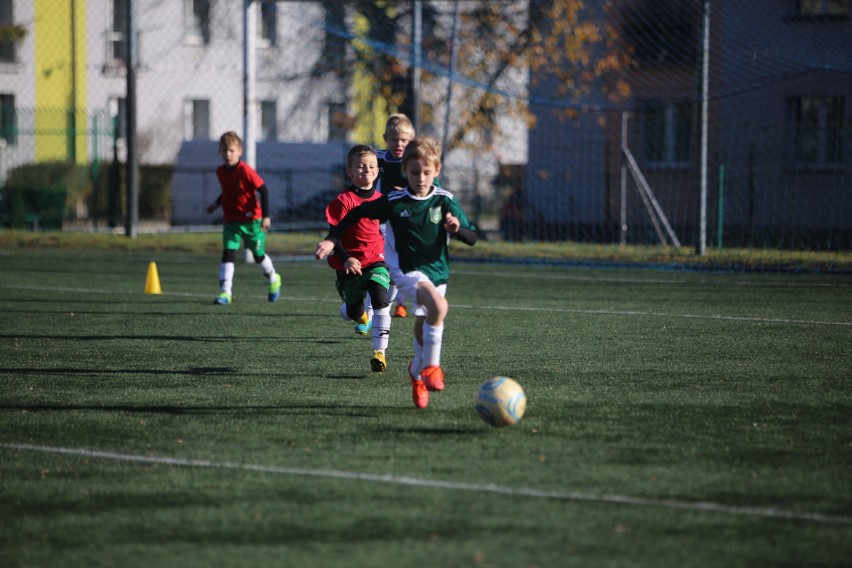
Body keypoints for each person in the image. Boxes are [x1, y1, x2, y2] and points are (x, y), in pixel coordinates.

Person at [315, 136, 477, 409]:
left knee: (427, 318)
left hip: (437, 273)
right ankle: (431, 368)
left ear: (437, 170)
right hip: (405, 270)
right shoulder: (394, 200)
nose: (421, 178)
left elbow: (472, 238)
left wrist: (456, 229)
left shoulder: (445, 200)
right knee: (438, 306)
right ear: (405, 171)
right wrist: (333, 240)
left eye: (427, 172)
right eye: (415, 172)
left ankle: (416, 372)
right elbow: (356, 214)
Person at [322, 144, 392, 373]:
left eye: (372, 166)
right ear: (350, 171)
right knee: (354, 311)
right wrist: (346, 258)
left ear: (378, 170)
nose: (367, 170)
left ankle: (379, 353)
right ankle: (360, 317)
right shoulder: (344, 201)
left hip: (375, 260)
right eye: (361, 167)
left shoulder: (383, 200)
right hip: (348, 266)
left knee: (381, 301)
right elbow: (334, 235)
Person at [206, 131, 281, 305]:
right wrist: (216, 205)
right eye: (224, 151)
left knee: (258, 255)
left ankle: (273, 279)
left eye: (231, 150)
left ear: (239, 151)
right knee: (228, 254)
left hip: (252, 221)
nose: (227, 154)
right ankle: (225, 293)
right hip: (231, 221)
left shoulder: (245, 170)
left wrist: (266, 216)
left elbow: (263, 190)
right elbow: (227, 191)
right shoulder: (220, 171)